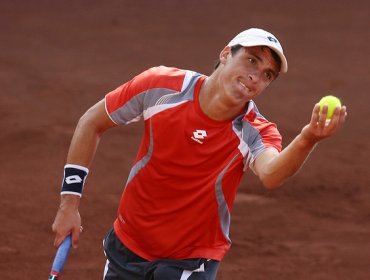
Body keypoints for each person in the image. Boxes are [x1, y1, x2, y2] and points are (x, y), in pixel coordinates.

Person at [51, 28, 347, 280]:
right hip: (128, 243)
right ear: (225, 54)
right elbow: (92, 122)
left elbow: (270, 174)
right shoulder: (160, 87)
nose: (255, 76)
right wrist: (69, 203)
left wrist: (308, 138)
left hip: (190, 262)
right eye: (251, 60)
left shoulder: (255, 130)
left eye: (266, 74)